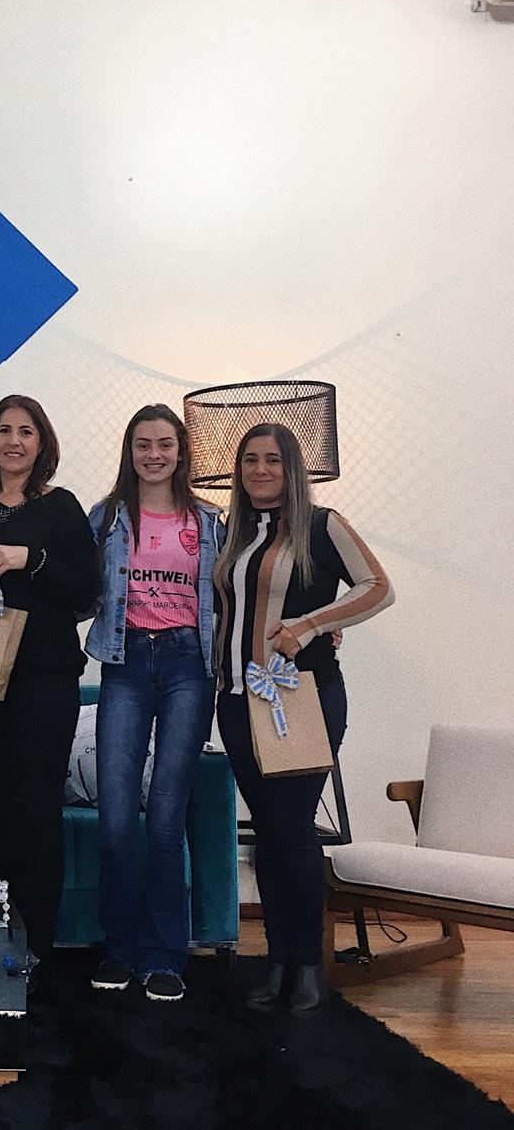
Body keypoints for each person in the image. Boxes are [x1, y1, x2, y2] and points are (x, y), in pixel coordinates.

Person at [214, 422, 394, 1012]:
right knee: (270, 833)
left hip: (300, 699)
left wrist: (314, 624)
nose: (260, 470)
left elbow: (377, 587)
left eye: (273, 460)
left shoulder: (322, 525)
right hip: (237, 700)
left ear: (293, 469)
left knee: (291, 828)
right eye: (250, 460)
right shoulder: (233, 531)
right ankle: (279, 962)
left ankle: (309, 965)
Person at [0, 395, 99, 989]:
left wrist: (32, 559)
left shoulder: (62, 508)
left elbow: (85, 590)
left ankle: (37, 947)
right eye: (4, 431)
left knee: (37, 809)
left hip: (44, 681)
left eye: (25, 431)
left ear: (42, 443)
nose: (14, 441)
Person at [85, 405, 225, 1002]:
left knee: (166, 817)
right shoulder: (106, 516)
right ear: (130, 451)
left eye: (165, 444)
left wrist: (315, 626)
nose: (154, 454)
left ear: (181, 451)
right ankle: (119, 948)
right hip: (125, 663)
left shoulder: (210, 521)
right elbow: (75, 586)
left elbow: (239, 590)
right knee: (117, 818)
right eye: (143, 444)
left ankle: (165, 956)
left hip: (188, 665)